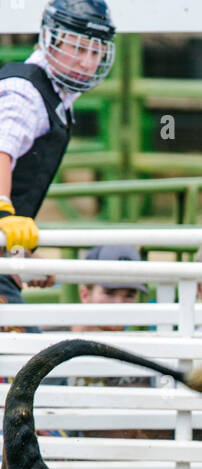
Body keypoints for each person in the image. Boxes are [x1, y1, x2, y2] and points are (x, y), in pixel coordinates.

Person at [0, 1, 116, 313]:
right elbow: (1, 150)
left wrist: (21, 257)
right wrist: (3, 214)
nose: (86, 62)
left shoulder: (55, 96)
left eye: (95, 52)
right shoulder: (26, 93)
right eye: (77, 49)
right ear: (50, 40)